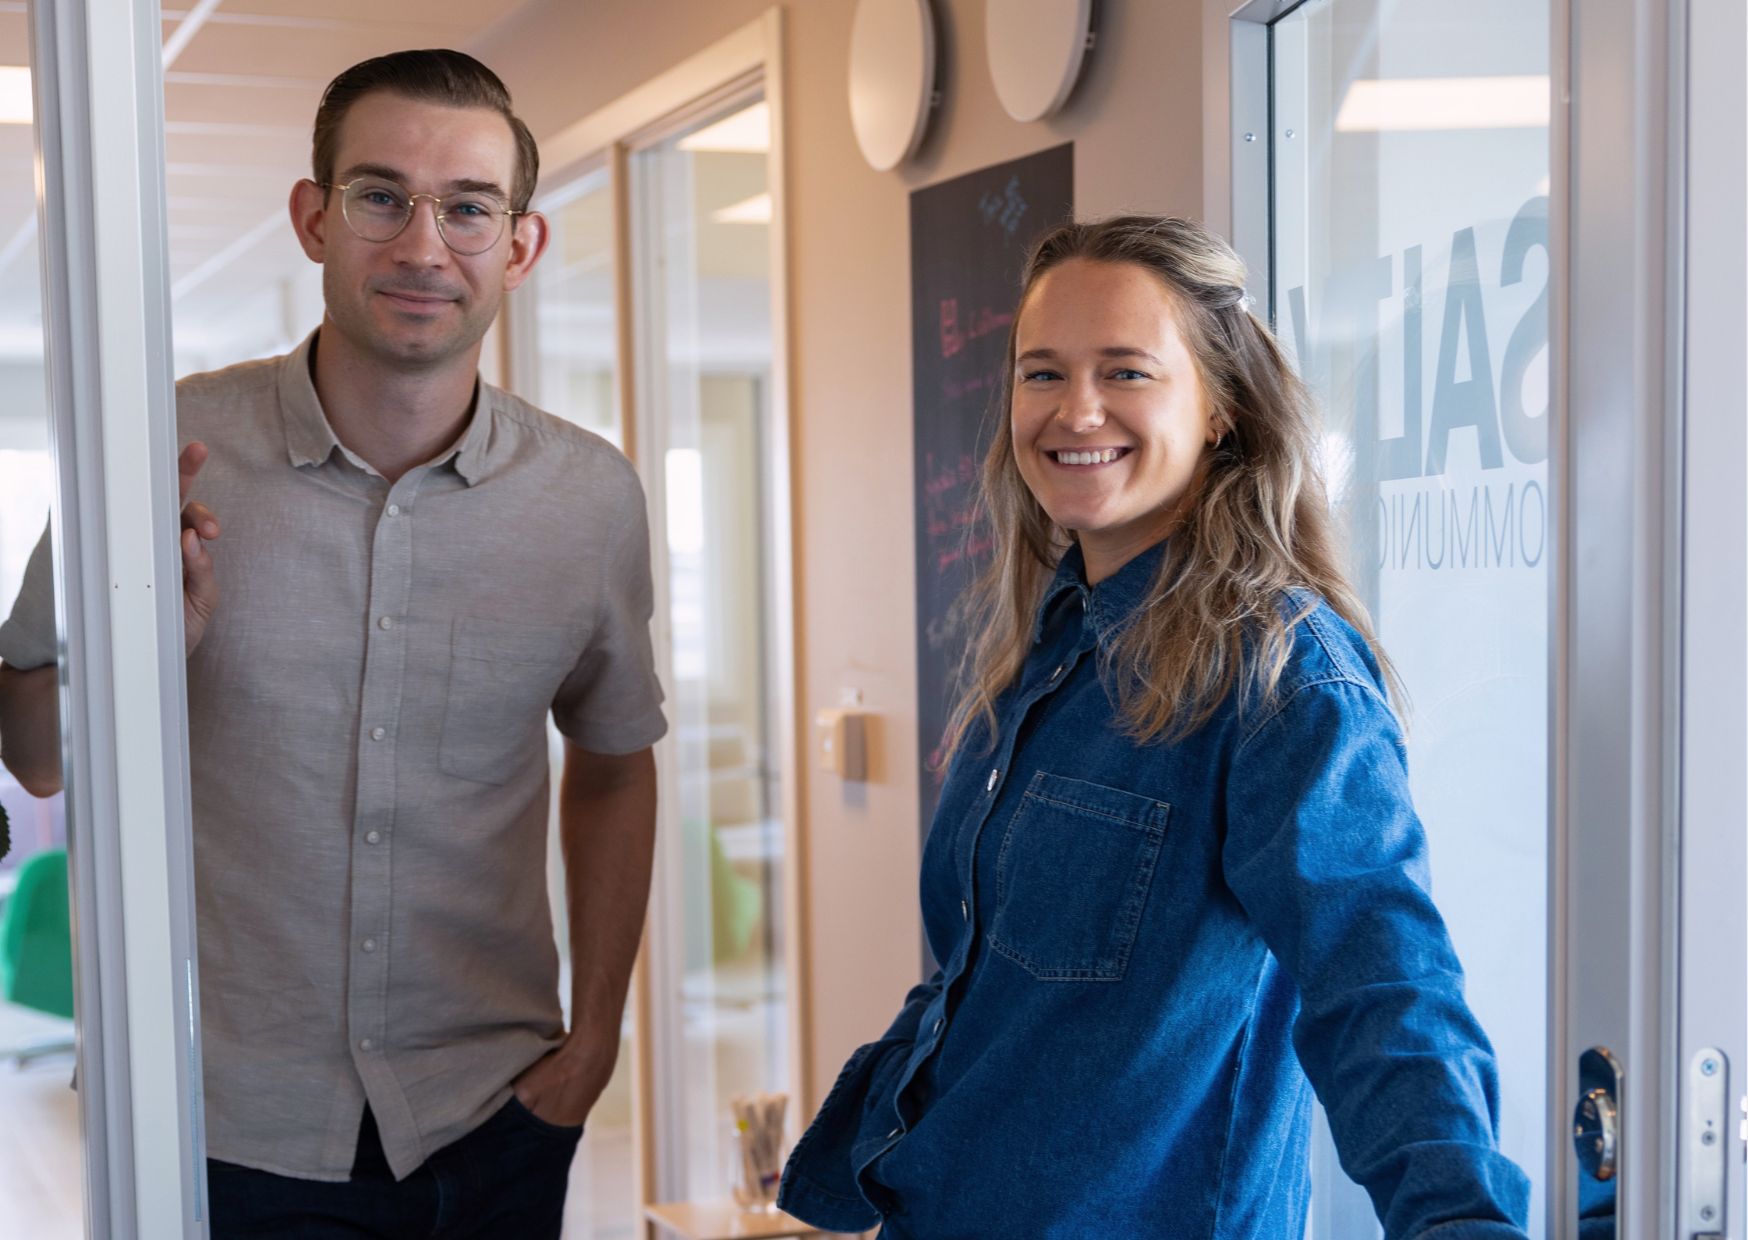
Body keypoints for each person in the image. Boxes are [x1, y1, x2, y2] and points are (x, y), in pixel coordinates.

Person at [0, 49, 665, 1238]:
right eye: (379, 197)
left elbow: (614, 759)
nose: (423, 245)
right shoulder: (159, 446)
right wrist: (138, 657)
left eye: (467, 207)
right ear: (314, 219)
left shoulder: (590, 501)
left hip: (489, 1119)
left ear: (518, 245)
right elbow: (37, 754)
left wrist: (597, 1037)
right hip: (214, 1122)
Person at [778, 216, 1531, 1238]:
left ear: (1220, 405)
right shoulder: (1048, 651)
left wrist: (1459, 1219)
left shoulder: (1278, 674)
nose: (1072, 409)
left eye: (1125, 371)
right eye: (1040, 373)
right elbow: (981, 982)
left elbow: (1382, 987)